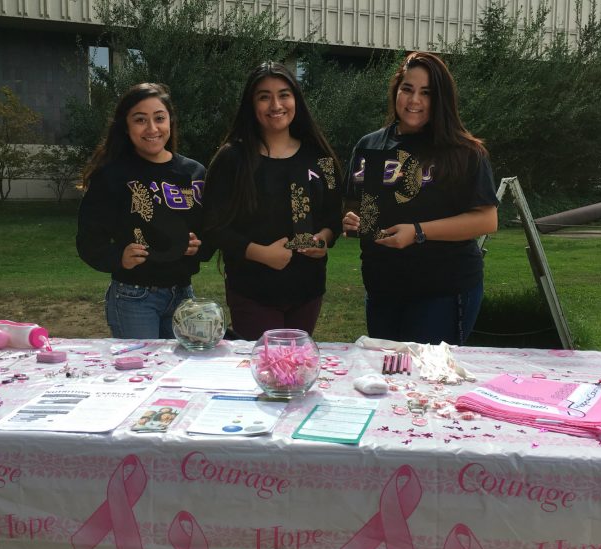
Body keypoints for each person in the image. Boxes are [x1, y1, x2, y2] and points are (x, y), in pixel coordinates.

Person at [343, 51, 498, 345]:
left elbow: (487, 219)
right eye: (407, 89)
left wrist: (417, 232)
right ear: (396, 91)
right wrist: (352, 220)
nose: (414, 101)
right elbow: (356, 205)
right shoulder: (369, 144)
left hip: (442, 289)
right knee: (389, 378)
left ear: (441, 99)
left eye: (426, 93)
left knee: (428, 378)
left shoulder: (464, 151)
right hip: (382, 288)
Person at [203, 62, 343, 341]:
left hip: (308, 289)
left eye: (284, 94)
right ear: (251, 104)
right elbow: (213, 226)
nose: (275, 104)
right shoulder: (232, 158)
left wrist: (322, 240)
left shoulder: (321, 157)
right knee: (266, 368)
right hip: (253, 290)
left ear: (296, 100)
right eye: (264, 96)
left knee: (294, 368)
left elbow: (333, 217)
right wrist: (261, 253)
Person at [76, 83, 206, 339]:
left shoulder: (194, 173)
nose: (152, 128)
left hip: (183, 294)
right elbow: (89, 240)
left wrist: (199, 245)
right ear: (126, 126)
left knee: (178, 375)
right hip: (134, 297)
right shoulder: (112, 175)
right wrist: (117, 257)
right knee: (141, 374)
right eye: (140, 120)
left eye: (159, 118)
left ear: (170, 121)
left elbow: (210, 229)